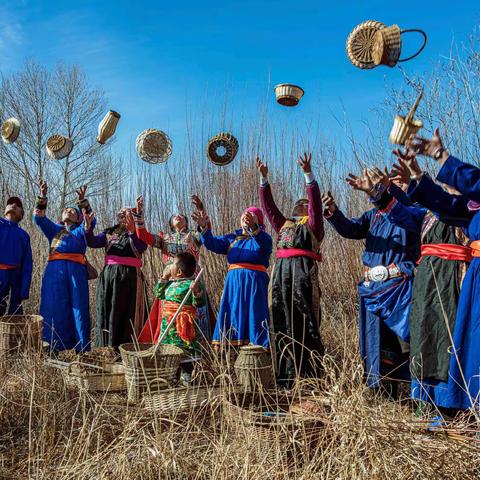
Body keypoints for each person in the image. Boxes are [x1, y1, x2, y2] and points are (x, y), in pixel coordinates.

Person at [369, 157, 473, 413]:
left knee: (448, 338)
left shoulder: (466, 212)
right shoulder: (425, 215)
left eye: (451, 187)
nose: (447, 189)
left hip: (453, 280)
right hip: (426, 282)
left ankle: (451, 405)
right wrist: (381, 190)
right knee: (425, 335)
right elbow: (400, 212)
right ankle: (426, 402)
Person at [322, 169, 420, 398]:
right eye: (388, 183)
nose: (391, 186)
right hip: (374, 289)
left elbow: (399, 206)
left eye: (397, 183)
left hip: (400, 288)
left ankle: (415, 394)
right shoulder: (373, 215)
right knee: (377, 344)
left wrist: (386, 190)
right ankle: (383, 395)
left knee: (405, 341)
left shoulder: (413, 211)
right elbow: (351, 229)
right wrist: (334, 213)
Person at [404, 128, 480, 410]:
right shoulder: (473, 206)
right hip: (476, 275)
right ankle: (471, 407)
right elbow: (445, 204)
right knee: (472, 343)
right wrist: (417, 175)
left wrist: (441, 155)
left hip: (463, 274)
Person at [257, 152, 324, 385]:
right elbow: (269, 208)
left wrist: (308, 175)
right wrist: (264, 180)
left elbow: (315, 204)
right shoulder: (283, 224)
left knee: (305, 321)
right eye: (299, 205)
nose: (301, 206)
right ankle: (285, 375)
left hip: (303, 275)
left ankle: (310, 375)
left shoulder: (314, 227)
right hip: (280, 278)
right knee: (281, 320)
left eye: (303, 205)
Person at [133, 195, 213, 343]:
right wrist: (139, 214)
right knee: (169, 315)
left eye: (181, 216)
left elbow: (206, 234)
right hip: (170, 281)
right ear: (170, 223)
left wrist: (201, 209)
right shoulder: (164, 238)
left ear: (187, 222)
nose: (178, 216)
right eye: (175, 216)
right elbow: (143, 236)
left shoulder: (193, 236)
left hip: (192, 280)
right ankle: (169, 346)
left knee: (195, 313)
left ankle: (199, 348)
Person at [192, 203, 272, 349]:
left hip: (255, 284)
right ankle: (231, 348)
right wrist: (204, 228)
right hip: (234, 284)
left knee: (256, 313)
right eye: (244, 213)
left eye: (251, 215)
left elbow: (265, 246)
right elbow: (212, 244)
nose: (246, 216)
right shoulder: (232, 238)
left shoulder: (263, 238)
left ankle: (258, 350)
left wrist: (254, 228)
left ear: (258, 221)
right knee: (233, 312)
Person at [33, 182, 92, 353]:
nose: (69, 211)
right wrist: (42, 195)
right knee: (53, 307)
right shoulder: (55, 229)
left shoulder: (81, 231)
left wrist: (82, 201)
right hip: (55, 272)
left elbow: (91, 221)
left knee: (79, 309)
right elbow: (39, 218)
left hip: (77, 273)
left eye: (73, 211)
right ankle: (52, 348)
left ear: (79, 218)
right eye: (66, 209)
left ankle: (83, 351)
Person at [85, 206, 147, 348]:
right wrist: (88, 228)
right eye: (121, 214)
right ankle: (107, 348)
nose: (123, 217)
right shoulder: (109, 232)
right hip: (109, 278)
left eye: (127, 214)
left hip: (130, 278)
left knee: (128, 313)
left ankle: (129, 348)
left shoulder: (139, 232)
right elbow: (92, 242)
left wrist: (132, 230)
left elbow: (142, 247)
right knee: (108, 310)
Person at [0, 196, 32, 316]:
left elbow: (27, 264)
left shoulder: (24, 236)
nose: (13, 205)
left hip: (16, 278)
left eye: (18, 205)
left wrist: (24, 289)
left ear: (21, 215)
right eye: (10, 203)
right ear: (5, 210)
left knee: (14, 316)